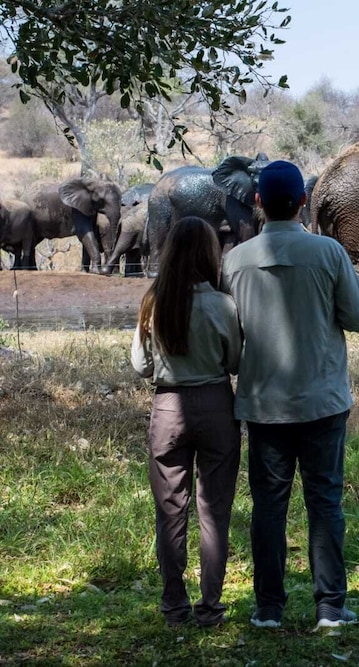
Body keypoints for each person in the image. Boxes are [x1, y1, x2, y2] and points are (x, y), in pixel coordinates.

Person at [221, 160, 359, 631]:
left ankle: (268, 607)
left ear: (258, 202)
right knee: (325, 503)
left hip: (264, 404)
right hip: (322, 400)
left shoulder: (235, 260)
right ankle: (330, 606)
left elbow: (230, 338)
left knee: (268, 506)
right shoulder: (329, 253)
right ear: (303, 202)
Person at [131, 216, 242, 628]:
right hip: (216, 405)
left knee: (170, 511)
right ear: (210, 254)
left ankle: (174, 605)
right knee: (214, 511)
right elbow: (235, 362)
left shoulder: (153, 301)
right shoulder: (223, 305)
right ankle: (210, 606)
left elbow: (140, 365)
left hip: (168, 407)